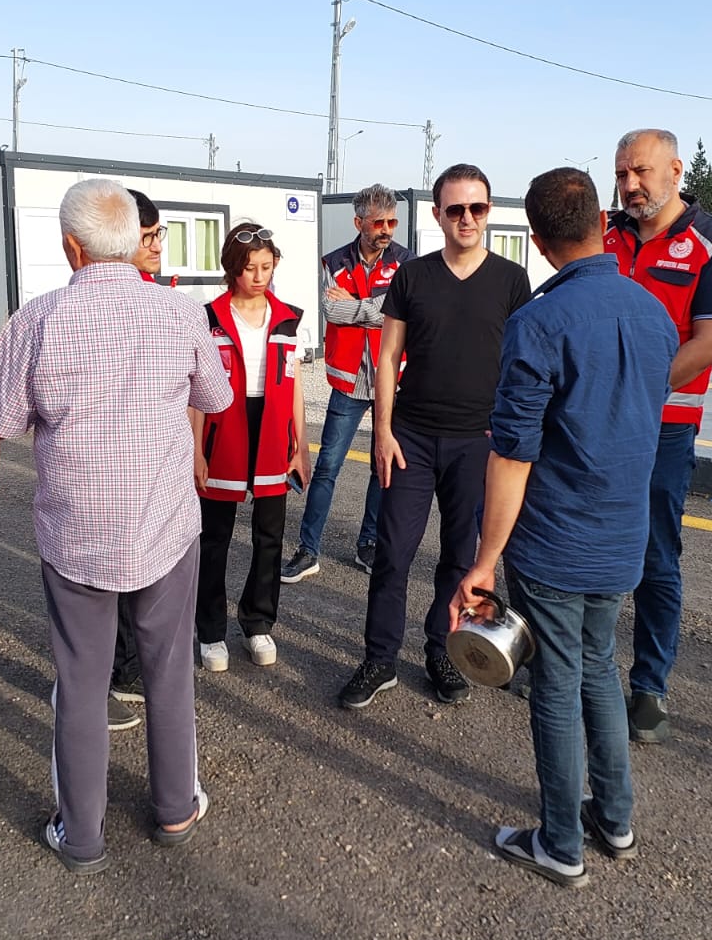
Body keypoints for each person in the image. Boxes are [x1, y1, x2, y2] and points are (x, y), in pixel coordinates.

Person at [0, 178, 232, 871]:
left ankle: (80, 835)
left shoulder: (37, 319)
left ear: (71, 247)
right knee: (169, 670)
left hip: (76, 524)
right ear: (135, 242)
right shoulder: (179, 313)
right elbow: (217, 395)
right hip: (167, 521)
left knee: (80, 680)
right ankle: (175, 807)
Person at [448, 168, 677, 888]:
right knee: (601, 669)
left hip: (555, 538)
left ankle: (560, 842)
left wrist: (485, 559)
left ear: (541, 243)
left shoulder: (540, 321)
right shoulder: (653, 314)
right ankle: (614, 819)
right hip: (620, 535)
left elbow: (512, 453)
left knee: (554, 681)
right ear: (604, 221)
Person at [338, 163, 532, 710]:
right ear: (437, 215)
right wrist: (382, 431)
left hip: (479, 442)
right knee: (393, 553)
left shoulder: (512, 281)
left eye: (477, 208)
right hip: (413, 439)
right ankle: (379, 659)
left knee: (458, 555)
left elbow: (521, 364)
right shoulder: (413, 276)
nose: (467, 218)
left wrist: (509, 437)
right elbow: (388, 356)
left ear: (489, 212)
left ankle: (440, 650)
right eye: (456, 209)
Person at [605, 129, 712, 744]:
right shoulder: (605, 235)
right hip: (594, 425)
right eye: (621, 173)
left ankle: (649, 688)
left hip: (662, 429)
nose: (630, 185)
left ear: (676, 170)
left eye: (640, 171)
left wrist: (635, 391)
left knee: (656, 558)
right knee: (587, 546)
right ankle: (581, 668)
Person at [282, 183, 413, 583]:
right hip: (348, 379)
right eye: (379, 222)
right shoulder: (334, 261)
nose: (387, 229)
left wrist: (359, 308)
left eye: (392, 221)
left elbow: (402, 313)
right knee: (327, 469)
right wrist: (378, 308)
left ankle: (368, 544)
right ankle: (308, 550)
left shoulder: (408, 263)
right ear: (359, 222)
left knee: (382, 466)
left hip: (393, 378)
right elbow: (329, 309)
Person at [193, 223, 309, 673]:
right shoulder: (208, 317)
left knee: (270, 536)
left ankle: (258, 622)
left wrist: (301, 445)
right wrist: (195, 450)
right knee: (214, 538)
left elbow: (295, 384)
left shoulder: (287, 317)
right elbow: (196, 390)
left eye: (266, 266)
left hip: (272, 431)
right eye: (249, 268)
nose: (259, 276)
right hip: (224, 428)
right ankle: (210, 630)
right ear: (232, 270)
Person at [103, 188, 171, 725]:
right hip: (108, 470)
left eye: (158, 234)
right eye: (147, 237)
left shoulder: (162, 298)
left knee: (142, 576)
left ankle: (128, 666)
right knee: (111, 582)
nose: (156, 245)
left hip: (151, 468)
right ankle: (115, 673)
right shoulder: (98, 303)